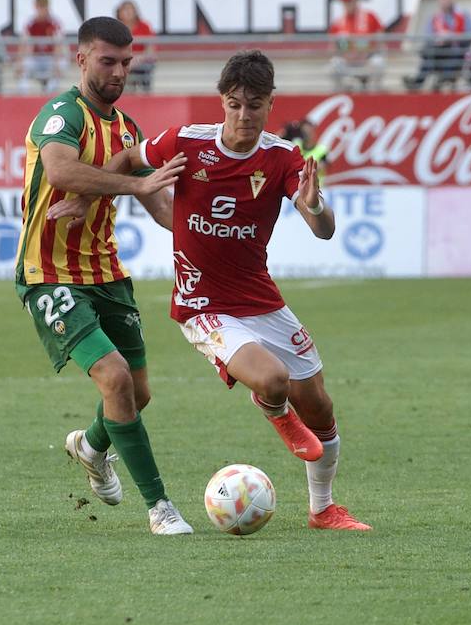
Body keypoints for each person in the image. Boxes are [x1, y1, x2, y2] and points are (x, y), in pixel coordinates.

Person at [101, 50, 372, 531]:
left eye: (255, 105)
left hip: (261, 299)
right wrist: (129, 190)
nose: (244, 116)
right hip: (203, 305)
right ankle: (272, 408)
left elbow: (324, 230)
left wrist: (315, 205)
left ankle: (323, 509)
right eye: (234, 105)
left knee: (322, 408)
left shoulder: (284, 157)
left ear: (272, 104)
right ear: (222, 102)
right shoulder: (186, 142)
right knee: (271, 381)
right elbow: (126, 159)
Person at [15, 15, 193, 535]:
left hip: (107, 273)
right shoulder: (60, 115)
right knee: (113, 378)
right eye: (107, 61)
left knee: (137, 395)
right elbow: (62, 171)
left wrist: (200, 239)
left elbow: (160, 204)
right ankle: (160, 507)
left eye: (125, 62)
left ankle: (91, 446)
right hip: (49, 273)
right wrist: (130, 187)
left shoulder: (128, 129)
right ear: (81, 58)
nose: (118, 72)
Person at [404, 0, 471, 91]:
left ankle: (424, 81)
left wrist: (450, 36)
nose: (445, 0)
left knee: (432, 56)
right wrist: (439, 39)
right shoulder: (434, 18)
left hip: (456, 50)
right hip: (438, 50)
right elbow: (428, 37)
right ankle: (434, 81)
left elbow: (469, 35)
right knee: (428, 53)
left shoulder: (463, 15)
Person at [328, 0, 386, 91]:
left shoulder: (369, 16)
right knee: (333, 65)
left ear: (355, 1)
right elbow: (332, 47)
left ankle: (375, 95)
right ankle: (343, 91)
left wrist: (368, 51)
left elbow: (380, 40)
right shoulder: (338, 22)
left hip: (366, 59)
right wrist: (345, 53)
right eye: (345, 2)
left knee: (378, 62)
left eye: (349, 1)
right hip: (348, 61)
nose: (347, 4)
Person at [20, 0, 62, 93]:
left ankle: (49, 94)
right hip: (36, 58)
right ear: (35, 7)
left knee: (60, 66)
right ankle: (23, 96)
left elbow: (58, 45)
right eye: (39, 7)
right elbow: (24, 44)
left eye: (43, 7)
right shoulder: (31, 23)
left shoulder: (54, 23)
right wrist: (19, 64)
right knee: (25, 67)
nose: (41, 10)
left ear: (47, 7)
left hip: (50, 58)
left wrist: (56, 65)